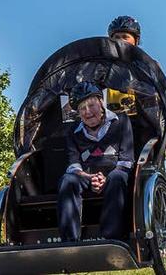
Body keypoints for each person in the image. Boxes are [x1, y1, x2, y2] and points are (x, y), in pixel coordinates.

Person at [58, 81, 134, 242]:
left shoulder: (121, 122)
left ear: (101, 103)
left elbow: (126, 160)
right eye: (82, 109)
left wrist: (105, 178)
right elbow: (74, 164)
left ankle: (112, 238)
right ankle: (70, 241)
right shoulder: (73, 132)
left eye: (91, 105)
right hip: (86, 176)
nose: (87, 112)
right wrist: (89, 178)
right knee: (67, 180)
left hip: (116, 173)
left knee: (117, 177)